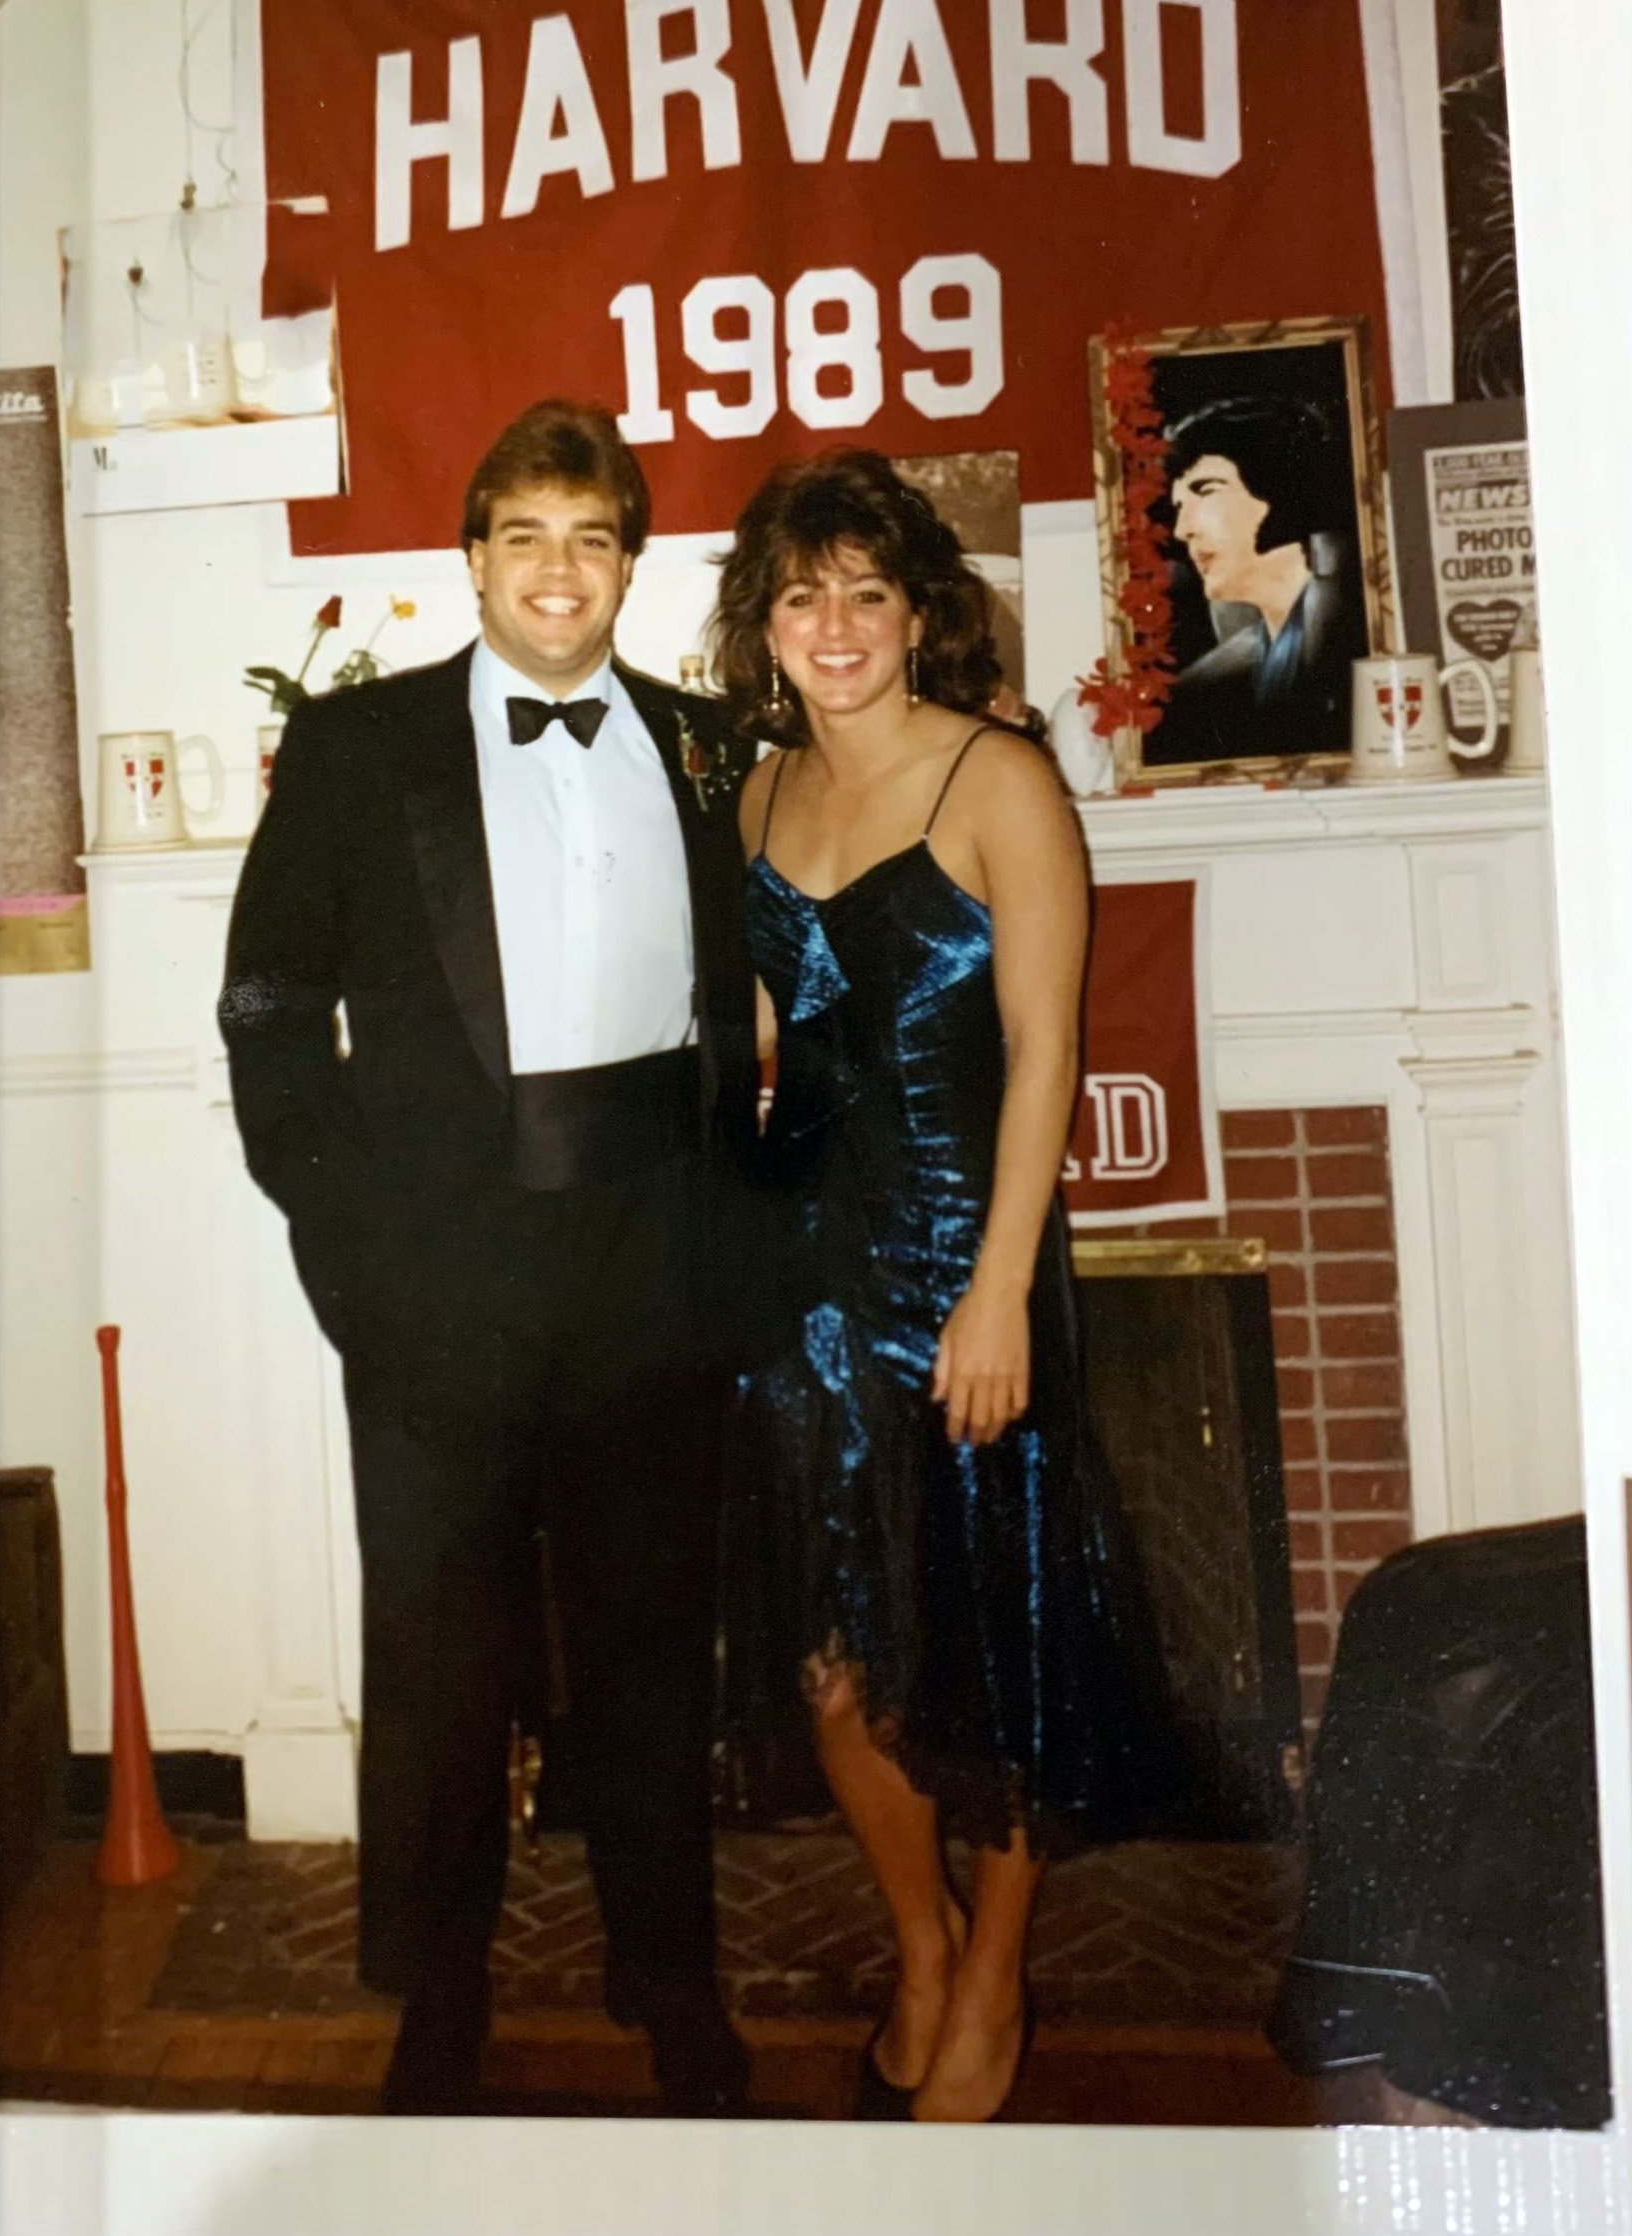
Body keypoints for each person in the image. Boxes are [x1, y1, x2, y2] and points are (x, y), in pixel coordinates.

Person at [218, 399, 759, 2117]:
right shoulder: (361, 748)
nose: (556, 571)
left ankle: (670, 1984)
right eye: (522, 535)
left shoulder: (703, 744)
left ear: (628, 563)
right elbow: (265, 1008)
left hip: (645, 1274)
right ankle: (434, 1999)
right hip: (437, 1282)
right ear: (469, 560)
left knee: (651, 1651)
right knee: (441, 1663)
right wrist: (346, 1244)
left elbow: (736, 1017)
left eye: (590, 538)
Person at [708, 450, 1191, 2124]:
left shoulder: (1000, 782)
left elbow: (1049, 1051)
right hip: (805, 1290)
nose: (832, 626)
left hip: (960, 1271)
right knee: (835, 1666)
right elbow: (766, 1048)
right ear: (762, 629)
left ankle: (992, 1977)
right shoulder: (755, 803)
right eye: (798, 594)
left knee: (989, 1657)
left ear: (916, 611)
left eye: (863, 590)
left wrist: (994, 1296)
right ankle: (917, 1940)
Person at [1146, 392, 1370, 767]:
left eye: (1206, 492)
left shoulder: (1346, 635)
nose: (1184, 530)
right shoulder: (1219, 677)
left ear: (1277, 486)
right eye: (1180, 507)